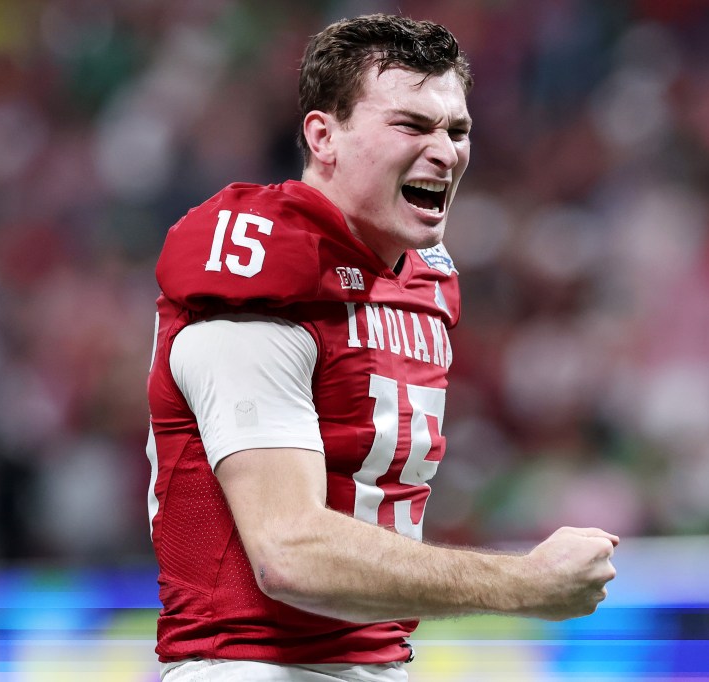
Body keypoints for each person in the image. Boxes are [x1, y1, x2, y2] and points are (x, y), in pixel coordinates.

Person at [145, 13, 618, 682]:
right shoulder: (259, 268)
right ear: (323, 136)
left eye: (457, 131)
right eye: (411, 126)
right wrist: (525, 583)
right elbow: (290, 552)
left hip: (375, 663)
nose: (446, 152)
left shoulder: (423, 277)